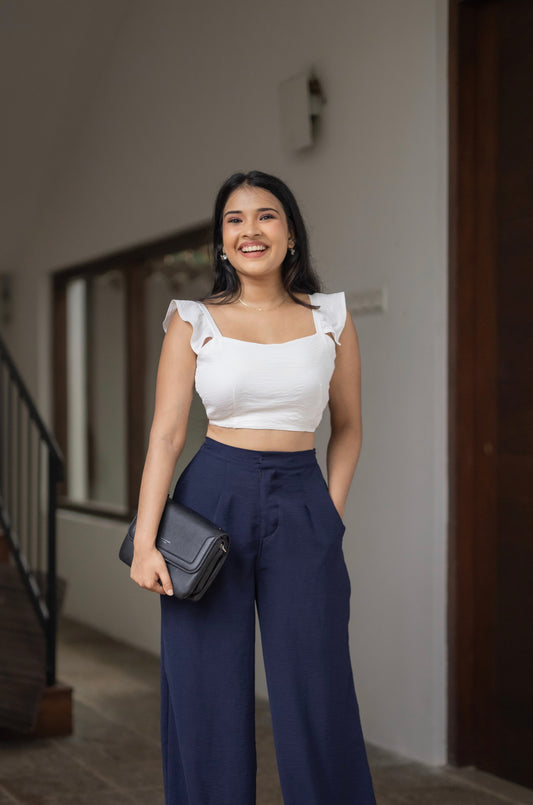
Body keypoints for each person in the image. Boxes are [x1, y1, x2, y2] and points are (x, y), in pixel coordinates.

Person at [129, 170, 377, 805]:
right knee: (205, 690)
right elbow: (165, 436)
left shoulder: (333, 319)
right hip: (212, 494)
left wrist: (330, 513)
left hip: (302, 500)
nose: (249, 231)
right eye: (234, 220)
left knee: (317, 688)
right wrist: (146, 542)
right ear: (220, 241)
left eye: (265, 216)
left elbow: (347, 429)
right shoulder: (192, 321)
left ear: (290, 233)